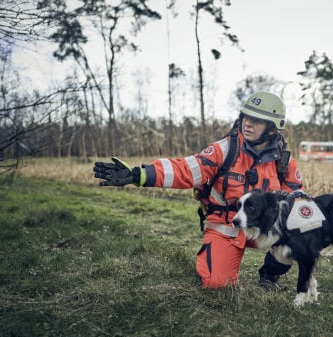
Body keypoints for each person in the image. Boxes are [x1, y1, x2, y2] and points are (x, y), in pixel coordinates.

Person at [93, 91, 303, 288]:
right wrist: (139, 175)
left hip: (261, 228)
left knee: (297, 233)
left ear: (273, 128)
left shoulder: (283, 161)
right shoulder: (225, 149)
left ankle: (270, 274)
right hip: (227, 224)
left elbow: (293, 199)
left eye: (257, 120)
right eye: (246, 116)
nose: (248, 123)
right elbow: (186, 170)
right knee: (217, 284)